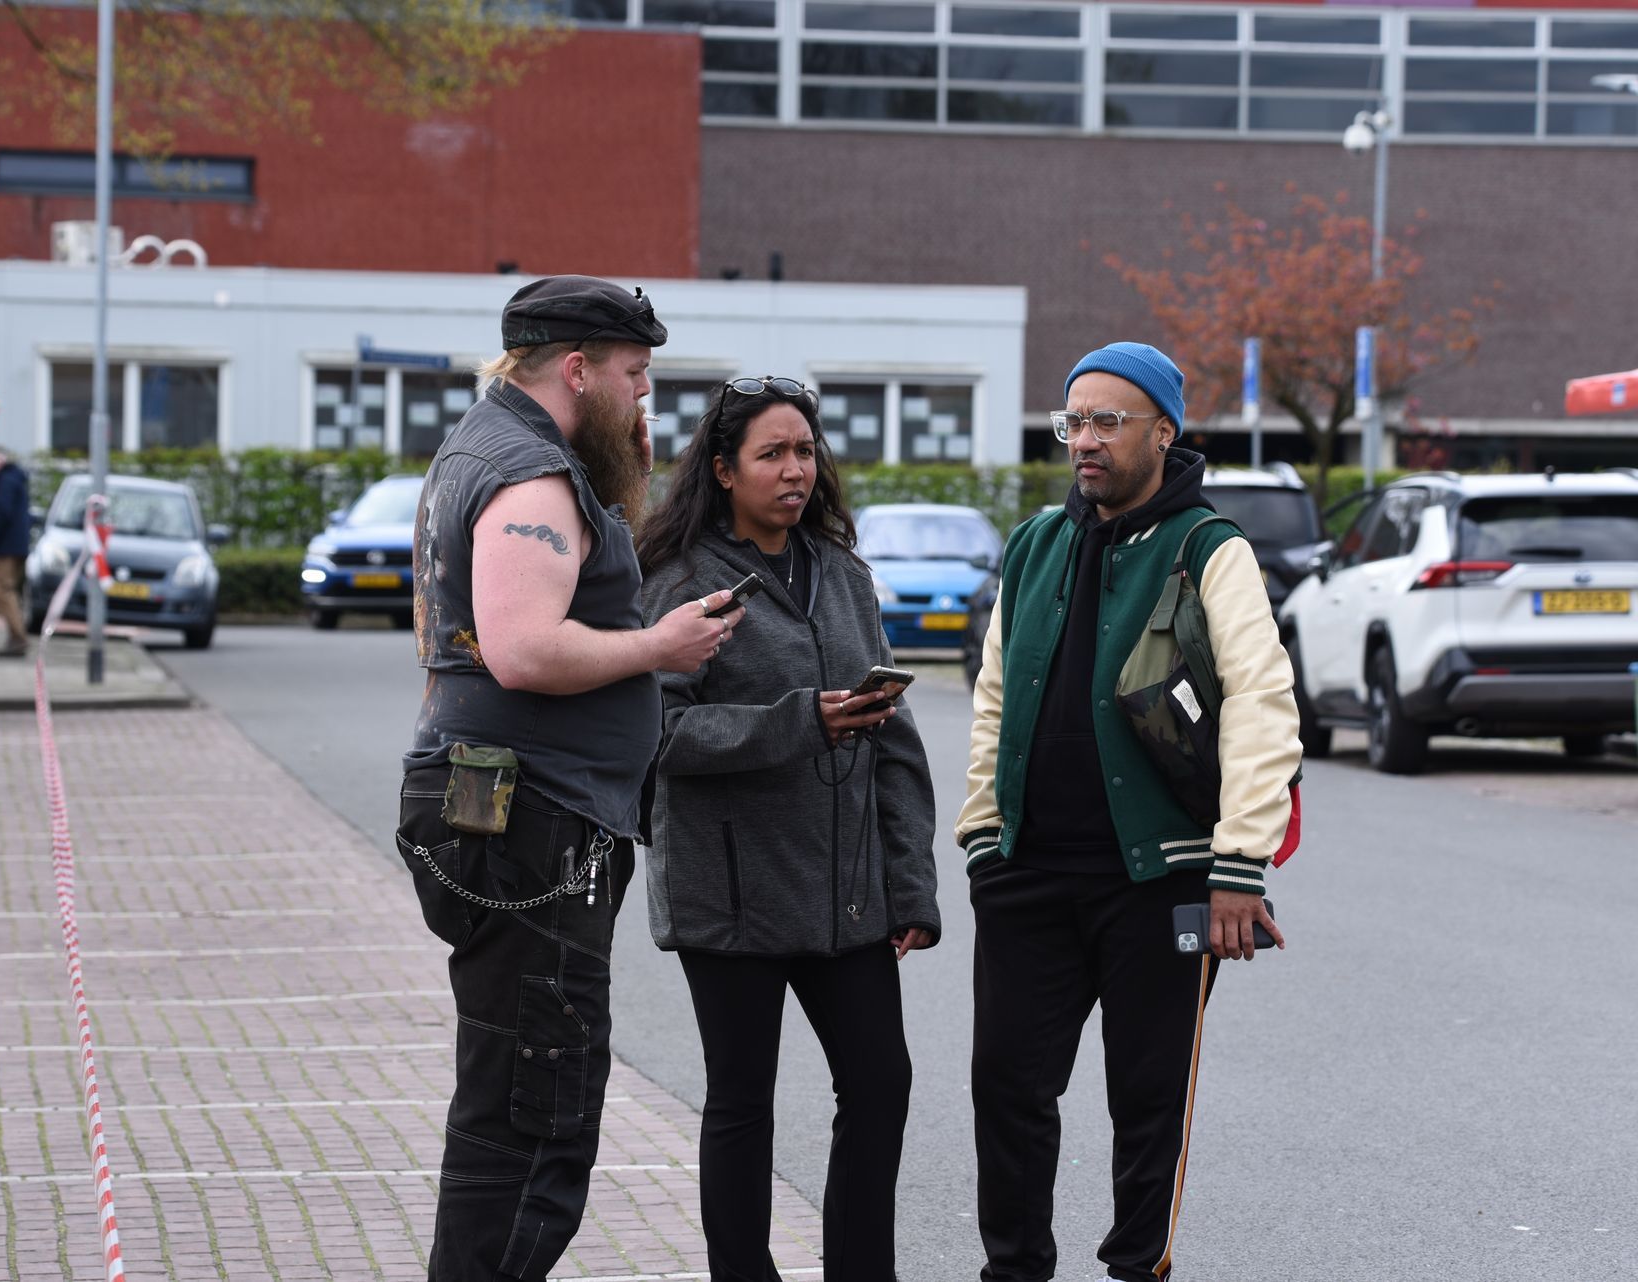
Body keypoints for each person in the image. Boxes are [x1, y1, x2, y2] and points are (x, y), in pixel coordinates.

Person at [397, 275, 737, 1282]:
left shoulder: (481, 447)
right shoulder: (532, 474)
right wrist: (660, 646)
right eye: (634, 377)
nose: (644, 402)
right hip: (532, 820)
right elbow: (522, 650)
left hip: (508, 809)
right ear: (577, 370)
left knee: (512, 1098)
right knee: (537, 1119)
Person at [958, 341, 1302, 1282]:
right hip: (1028, 874)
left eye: (1109, 421)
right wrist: (986, 836)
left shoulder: (1209, 549)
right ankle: (1014, 1268)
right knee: (1008, 1090)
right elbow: (994, 699)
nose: (1086, 441)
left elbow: (1267, 706)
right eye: (1074, 422)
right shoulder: (1035, 545)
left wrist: (1237, 867)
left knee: (1149, 1097)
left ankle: (1136, 1266)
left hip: (1168, 879)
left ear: (1164, 429)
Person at [637, 377, 941, 1282]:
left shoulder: (844, 575)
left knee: (881, 1084)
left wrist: (910, 885)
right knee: (741, 1101)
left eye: (805, 451)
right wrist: (796, 719)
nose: (795, 469)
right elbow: (654, 737)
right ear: (724, 469)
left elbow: (896, 741)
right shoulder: (680, 581)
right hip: (728, 893)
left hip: (845, 894)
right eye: (772, 453)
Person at [0, 445, 32, 657]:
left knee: (1, 590)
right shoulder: (13, 479)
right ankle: (15, 636)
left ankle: (18, 637)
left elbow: (1, 514)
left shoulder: (5, 481)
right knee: (7, 589)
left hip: (7, 547)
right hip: (15, 545)